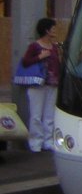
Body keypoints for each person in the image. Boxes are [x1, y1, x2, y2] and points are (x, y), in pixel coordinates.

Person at [20, 18, 61, 153]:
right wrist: (40, 57)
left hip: (52, 84)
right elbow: (25, 62)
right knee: (36, 115)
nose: (55, 30)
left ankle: (48, 141)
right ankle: (35, 142)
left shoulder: (54, 47)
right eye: (53, 28)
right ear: (46, 30)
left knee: (49, 115)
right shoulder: (35, 46)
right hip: (37, 84)